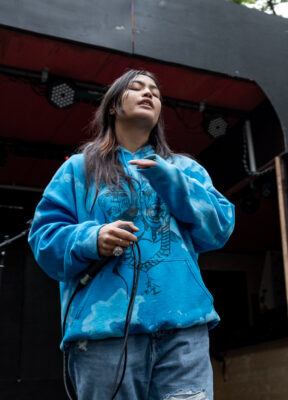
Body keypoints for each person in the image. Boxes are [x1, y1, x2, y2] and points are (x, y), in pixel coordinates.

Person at [28, 70, 235, 400]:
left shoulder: (186, 169)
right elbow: (43, 240)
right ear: (113, 106)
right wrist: (91, 238)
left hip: (183, 331)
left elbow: (220, 229)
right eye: (136, 87)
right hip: (104, 334)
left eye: (155, 91)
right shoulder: (78, 169)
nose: (149, 93)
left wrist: (173, 181)